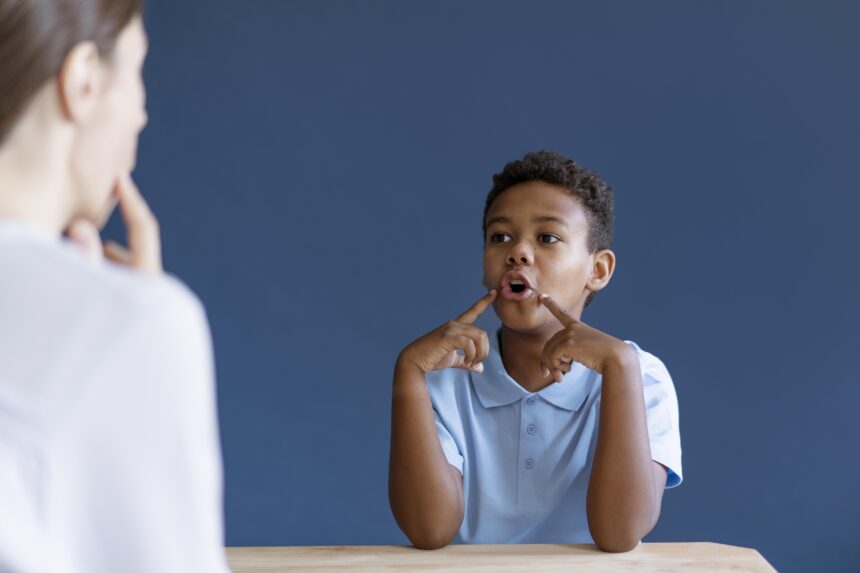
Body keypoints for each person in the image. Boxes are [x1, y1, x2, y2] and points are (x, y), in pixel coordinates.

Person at [0, 1, 229, 571]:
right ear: (83, 80)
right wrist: (139, 321)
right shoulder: (139, 323)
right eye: (136, 71)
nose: (142, 115)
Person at [389, 151, 683, 552]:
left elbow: (619, 535)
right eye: (500, 237)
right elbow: (429, 531)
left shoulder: (640, 375)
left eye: (547, 238)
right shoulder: (444, 377)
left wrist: (619, 368)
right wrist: (408, 373)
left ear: (598, 270)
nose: (518, 253)